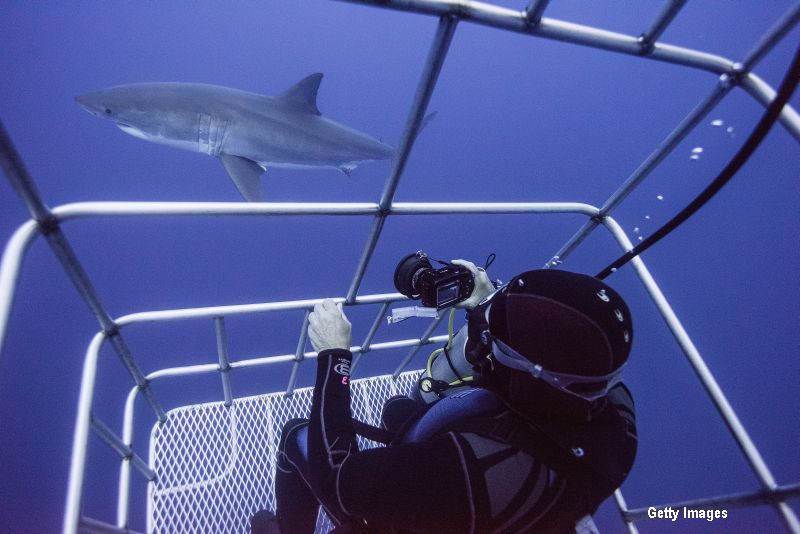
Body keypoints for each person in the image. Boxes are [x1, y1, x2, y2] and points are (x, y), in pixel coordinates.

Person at [255, 261, 637, 533]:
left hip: (440, 508)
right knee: (398, 410)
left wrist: (334, 356)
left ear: (533, 376)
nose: (482, 342)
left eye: (491, 340)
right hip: (525, 504)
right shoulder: (616, 416)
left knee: (296, 435)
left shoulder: (472, 473)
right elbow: (527, 373)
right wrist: (483, 303)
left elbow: (337, 477)